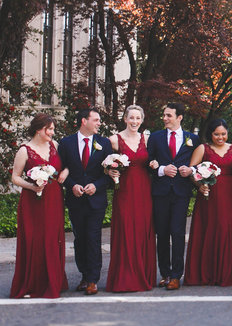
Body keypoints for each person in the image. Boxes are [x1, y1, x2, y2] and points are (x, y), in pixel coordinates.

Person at [9, 114, 69, 299]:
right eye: (49, 129)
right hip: (33, 201)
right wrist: (32, 186)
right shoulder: (24, 151)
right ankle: (33, 283)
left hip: (54, 199)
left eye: (53, 129)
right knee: (35, 240)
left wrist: (65, 172)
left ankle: (53, 281)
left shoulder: (55, 146)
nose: (52, 132)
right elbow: (15, 177)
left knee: (52, 239)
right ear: (38, 129)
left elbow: (67, 166)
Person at [56, 108, 113, 295]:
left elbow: (110, 174)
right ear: (84, 121)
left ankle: (93, 279)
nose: (99, 123)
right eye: (96, 120)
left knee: (93, 238)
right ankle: (84, 275)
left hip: (96, 200)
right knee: (79, 239)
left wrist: (96, 185)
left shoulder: (104, 144)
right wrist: (72, 185)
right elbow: (61, 171)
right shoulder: (66, 143)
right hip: (76, 200)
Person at [104, 105, 156, 292]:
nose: (134, 121)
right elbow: (103, 165)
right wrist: (109, 171)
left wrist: (154, 163)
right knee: (125, 228)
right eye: (131, 118)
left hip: (143, 189)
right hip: (124, 190)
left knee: (142, 229)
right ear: (125, 118)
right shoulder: (114, 140)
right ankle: (124, 276)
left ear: (142, 120)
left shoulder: (147, 139)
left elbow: (153, 161)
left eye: (138, 118)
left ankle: (143, 275)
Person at [184, 119, 232, 287]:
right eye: (216, 134)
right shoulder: (203, 148)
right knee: (209, 228)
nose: (220, 137)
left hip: (229, 193)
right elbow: (192, 171)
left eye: (223, 134)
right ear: (211, 134)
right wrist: (200, 185)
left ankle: (226, 271)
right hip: (208, 193)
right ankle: (206, 271)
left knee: (226, 228)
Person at [148, 102, 196, 291]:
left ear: (179, 117)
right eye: (164, 115)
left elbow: (200, 162)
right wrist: (161, 169)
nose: (165, 118)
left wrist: (190, 170)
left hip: (181, 192)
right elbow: (148, 163)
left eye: (169, 115)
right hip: (160, 192)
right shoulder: (155, 137)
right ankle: (165, 274)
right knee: (162, 233)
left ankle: (176, 275)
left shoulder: (192, 139)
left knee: (177, 233)